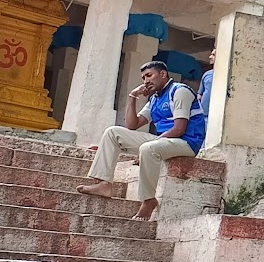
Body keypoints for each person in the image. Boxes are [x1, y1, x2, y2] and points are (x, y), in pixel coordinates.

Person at [77, 60, 207, 221]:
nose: (146, 81)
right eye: (144, 77)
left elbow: (179, 128)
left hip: (187, 142)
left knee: (148, 148)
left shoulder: (179, 91)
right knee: (113, 133)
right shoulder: (155, 99)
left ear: (163, 74)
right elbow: (133, 124)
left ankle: (148, 200)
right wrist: (133, 96)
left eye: (149, 75)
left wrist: (152, 144)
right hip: (164, 141)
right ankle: (104, 184)